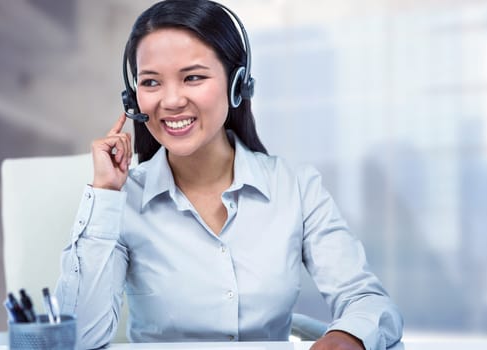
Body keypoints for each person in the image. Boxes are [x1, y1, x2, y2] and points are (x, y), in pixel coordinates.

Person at [55, 1, 403, 349]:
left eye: (193, 77)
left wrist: (347, 337)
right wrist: (104, 194)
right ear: (134, 97)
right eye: (151, 82)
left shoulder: (294, 187)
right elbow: (79, 339)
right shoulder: (122, 200)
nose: (171, 100)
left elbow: (366, 299)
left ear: (237, 84)